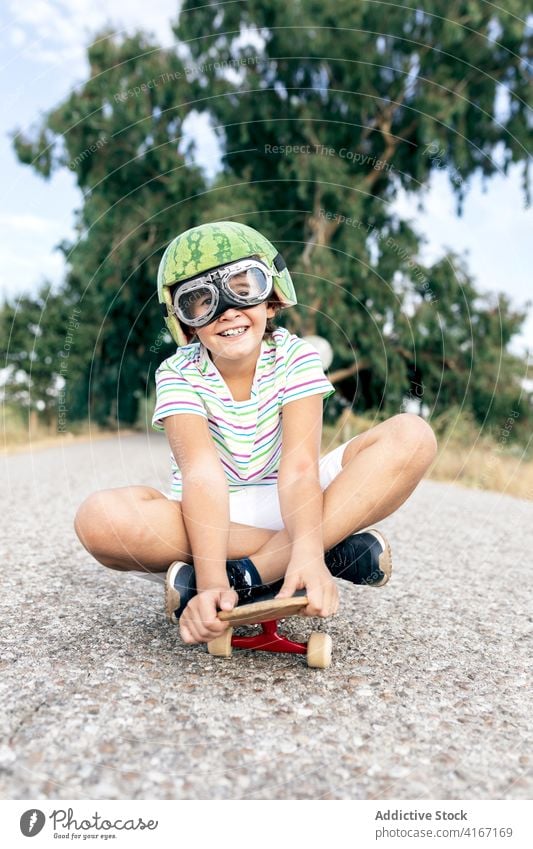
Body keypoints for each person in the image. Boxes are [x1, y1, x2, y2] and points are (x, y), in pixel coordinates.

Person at [74, 221, 437, 646]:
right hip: (211, 518)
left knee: (413, 436)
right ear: (186, 323)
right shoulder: (177, 373)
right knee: (98, 520)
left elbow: (300, 469)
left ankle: (252, 574)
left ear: (271, 299)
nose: (227, 310)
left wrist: (297, 549)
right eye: (200, 302)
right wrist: (211, 581)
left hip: (294, 497)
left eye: (244, 288)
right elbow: (202, 477)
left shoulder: (296, 356)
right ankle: (331, 551)